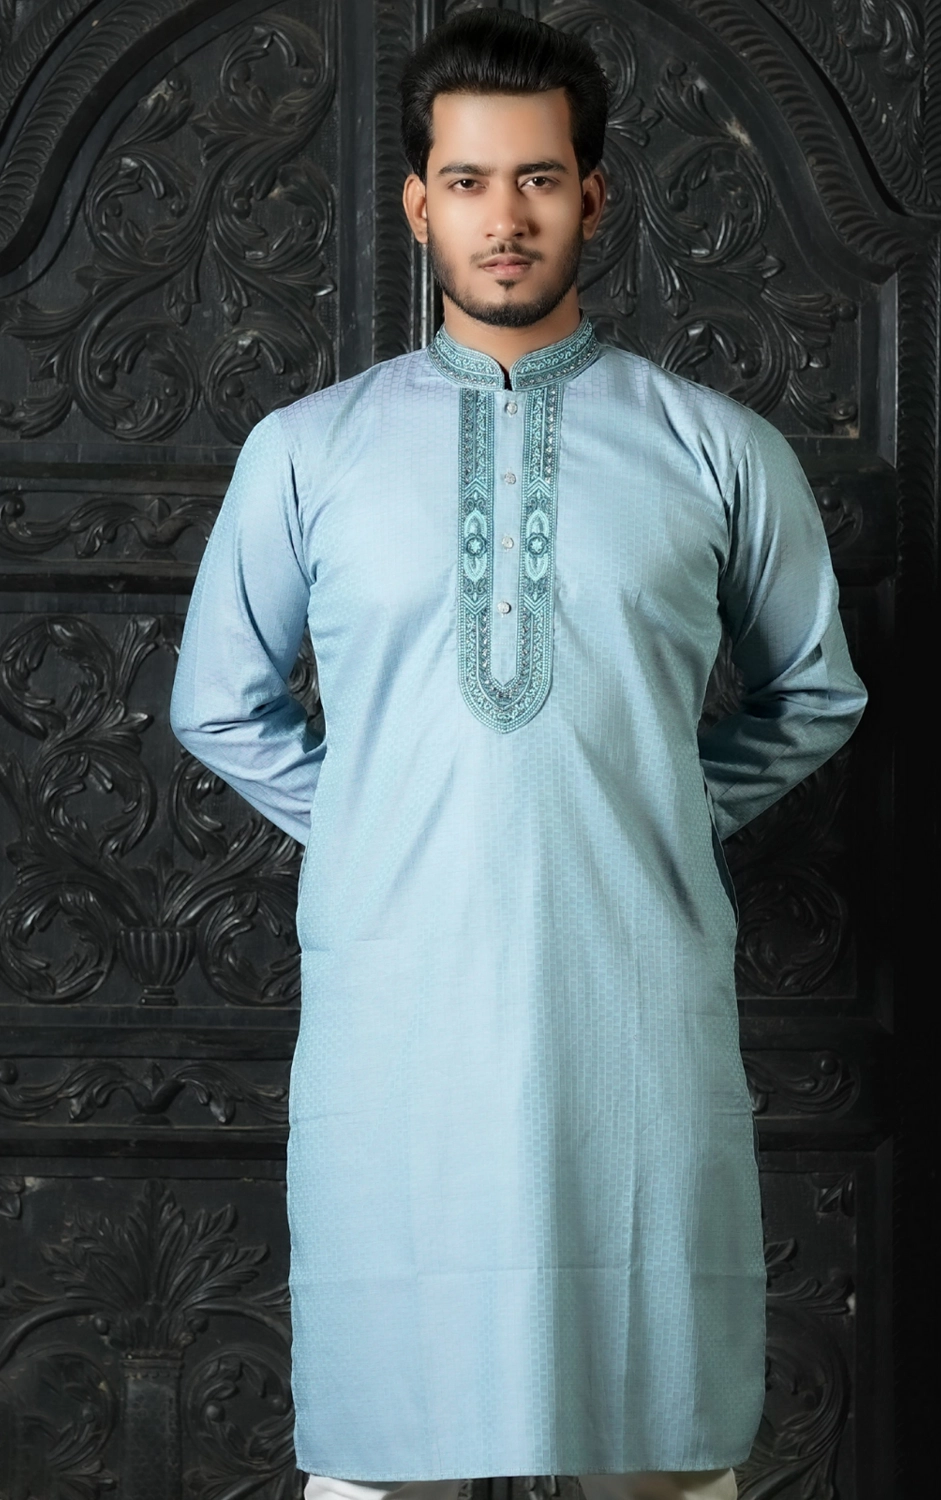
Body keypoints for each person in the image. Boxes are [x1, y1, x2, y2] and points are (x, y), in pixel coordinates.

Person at [170, 11, 868, 1500]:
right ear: (416, 202)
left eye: (540, 179)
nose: (507, 217)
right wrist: (384, 821)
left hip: (635, 1009)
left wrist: (663, 807)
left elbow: (815, 691)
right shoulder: (309, 451)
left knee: (661, 1449)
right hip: (399, 1016)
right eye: (471, 181)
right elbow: (219, 701)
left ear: (594, 197)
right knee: (387, 1449)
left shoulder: (713, 446)